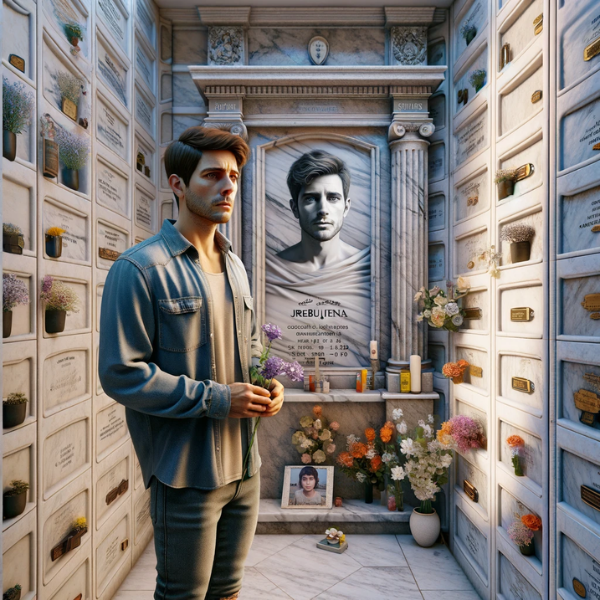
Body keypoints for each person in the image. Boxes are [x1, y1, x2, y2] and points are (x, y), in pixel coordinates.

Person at [98, 126, 284, 600]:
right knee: (182, 594)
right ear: (179, 185)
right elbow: (121, 373)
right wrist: (220, 398)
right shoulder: (138, 269)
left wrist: (267, 384)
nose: (228, 187)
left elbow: (250, 348)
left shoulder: (235, 266)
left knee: (228, 591)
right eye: (213, 175)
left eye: (235, 176)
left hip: (245, 467)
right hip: (185, 475)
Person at [265, 150, 371, 367]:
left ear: (346, 207)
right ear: (295, 208)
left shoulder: (368, 267)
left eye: (333, 198)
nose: (323, 209)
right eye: (311, 199)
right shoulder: (270, 270)